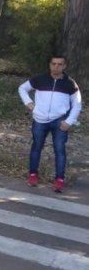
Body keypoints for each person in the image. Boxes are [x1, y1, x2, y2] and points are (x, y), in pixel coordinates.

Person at [18, 55, 82, 193]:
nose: (56, 67)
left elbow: (77, 105)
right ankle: (33, 175)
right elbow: (22, 88)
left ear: (64, 66)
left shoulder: (70, 83)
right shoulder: (40, 79)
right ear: (50, 65)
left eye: (60, 64)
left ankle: (59, 180)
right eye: (54, 64)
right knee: (36, 147)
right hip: (39, 119)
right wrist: (28, 103)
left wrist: (69, 121)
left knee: (59, 150)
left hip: (60, 121)